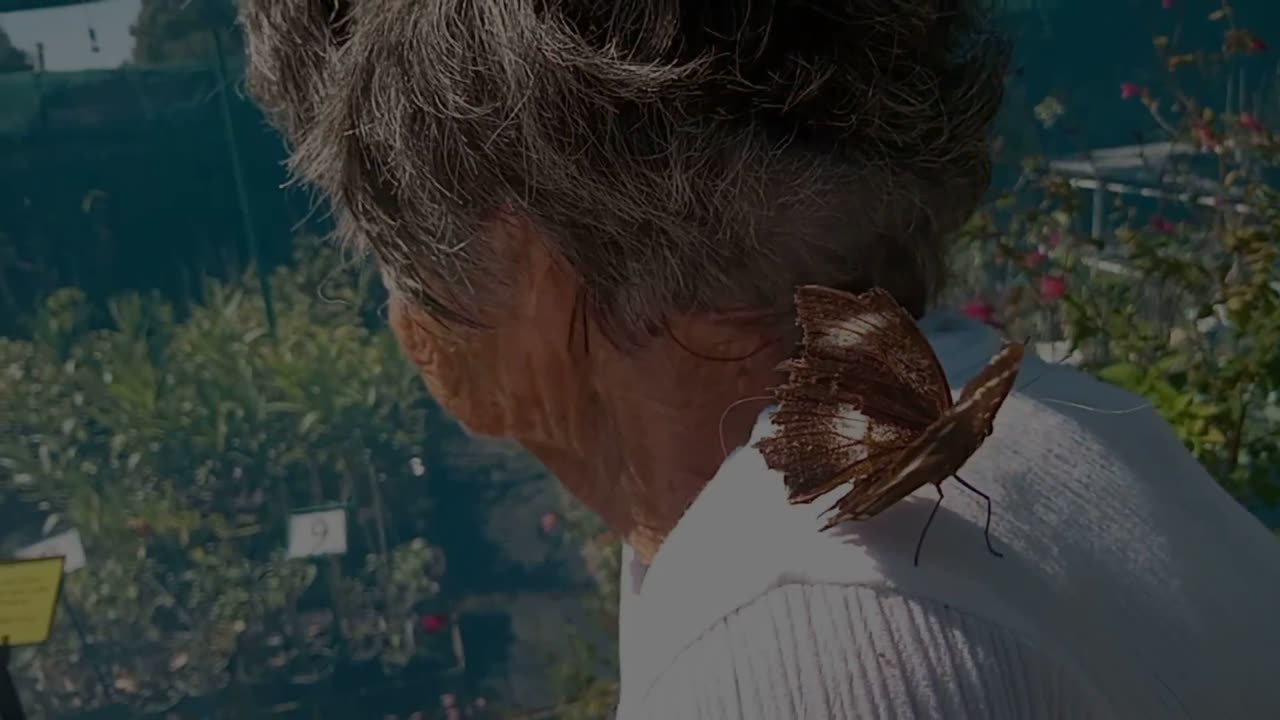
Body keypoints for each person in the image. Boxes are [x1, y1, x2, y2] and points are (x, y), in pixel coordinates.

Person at [238, 1, 1280, 717]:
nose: (402, 311)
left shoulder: (806, 635)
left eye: (397, 254)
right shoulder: (1089, 435)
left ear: (516, 271)